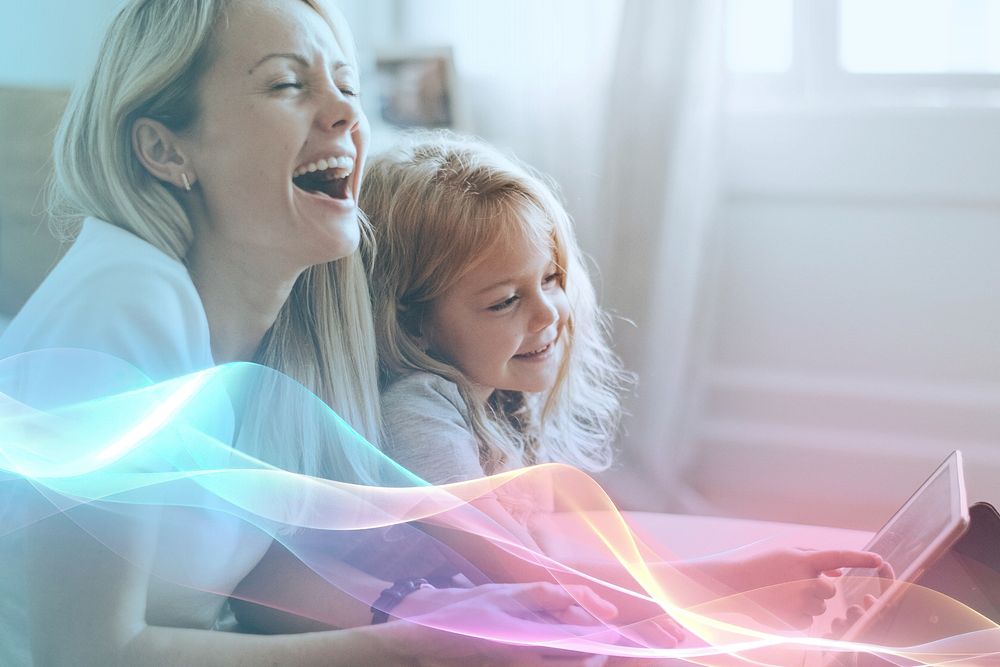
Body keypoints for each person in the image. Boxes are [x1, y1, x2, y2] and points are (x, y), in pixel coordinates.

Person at [0, 1, 620, 665]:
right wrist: (417, 646)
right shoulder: (124, 302)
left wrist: (441, 614)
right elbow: (84, 650)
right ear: (163, 148)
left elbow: (257, 578)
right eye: (288, 84)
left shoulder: (284, 332)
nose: (347, 115)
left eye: (347, 87)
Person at [361, 130, 886, 632]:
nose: (550, 315)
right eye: (504, 301)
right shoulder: (418, 415)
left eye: (550, 278)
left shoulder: (493, 398)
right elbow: (529, 576)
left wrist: (722, 576)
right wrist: (730, 582)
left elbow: (546, 565)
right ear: (412, 323)